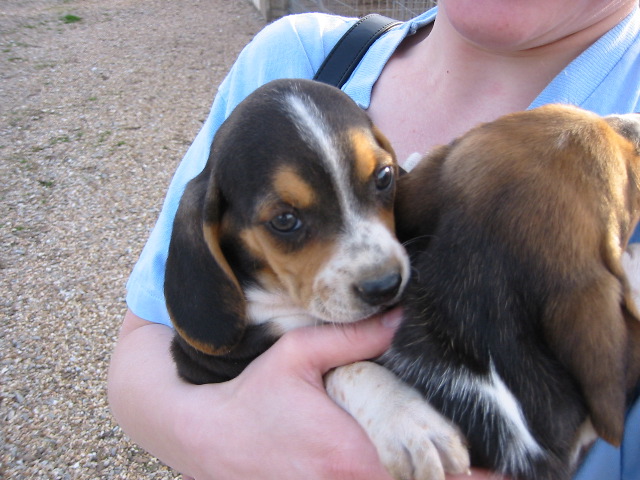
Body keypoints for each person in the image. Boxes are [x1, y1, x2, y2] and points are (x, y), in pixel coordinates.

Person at [107, 1, 640, 479]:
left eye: (382, 182)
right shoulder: (302, 56)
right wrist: (230, 438)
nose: (379, 267)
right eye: (287, 222)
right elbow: (145, 352)